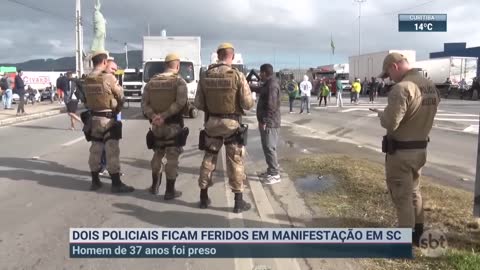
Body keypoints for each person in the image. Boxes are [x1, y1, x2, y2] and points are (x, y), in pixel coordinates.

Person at [373, 52, 440, 246]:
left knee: (401, 196)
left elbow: (391, 123)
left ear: (394, 67)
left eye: (388, 74)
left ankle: (404, 239)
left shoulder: (401, 88)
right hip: (420, 149)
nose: (389, 79)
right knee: (414, 191)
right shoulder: (429, 85)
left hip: (401, 153)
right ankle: (418, 232)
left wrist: (381, 115)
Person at [195, 42, 254, 212]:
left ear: (217, 55)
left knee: (209, 158)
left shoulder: (206, 76)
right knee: (235, 161)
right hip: (231, 125)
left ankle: (204, 197)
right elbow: (248, 103)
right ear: (232, 56)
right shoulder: (237, 75)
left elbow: (198, 103)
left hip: (212, 124)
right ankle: (238, 201)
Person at [83, 51, 134, 193]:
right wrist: (117, 110)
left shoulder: (87, 79)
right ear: (104, 62)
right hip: (108, 119)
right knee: (112, 151)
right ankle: (116, 183)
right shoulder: (108, 78)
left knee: (95, 150)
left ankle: (95, 181)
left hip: (93, 119)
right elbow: (121, 96)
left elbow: (86, 100)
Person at [142, 53, 188, 199]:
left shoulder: (151, 82)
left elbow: (144, 104)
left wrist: (154, 117)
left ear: (165, 65)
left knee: (157, 154)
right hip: (172, 125)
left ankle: (154, 186)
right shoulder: (179, 82)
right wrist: (165, 115)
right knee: (172, 157)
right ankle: (170, 191)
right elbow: (181, 103)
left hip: (156, 126)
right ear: (178, 65)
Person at [251, 63, 281, 185]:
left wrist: (265, 121)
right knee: (266, 146)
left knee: (270, 147)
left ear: (264, 73)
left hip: (271, 123)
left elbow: (272, 106)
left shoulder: (272, 85)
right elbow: (260, 90)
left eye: (260, 73)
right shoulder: (268, 84)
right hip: (267, 121)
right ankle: (270, 170)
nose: (259, 75)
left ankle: (275, 174)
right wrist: (250, 86)